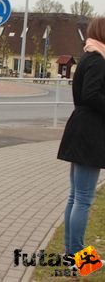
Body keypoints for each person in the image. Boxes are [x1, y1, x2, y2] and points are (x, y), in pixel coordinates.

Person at [57, 17, 105, 256]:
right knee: (83, 199)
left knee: (76, 196)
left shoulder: (88, 56)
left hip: (81, 130)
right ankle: (77, 257)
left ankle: (71, 254)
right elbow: (90, 95)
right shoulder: (98, 61)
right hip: (90, 135)